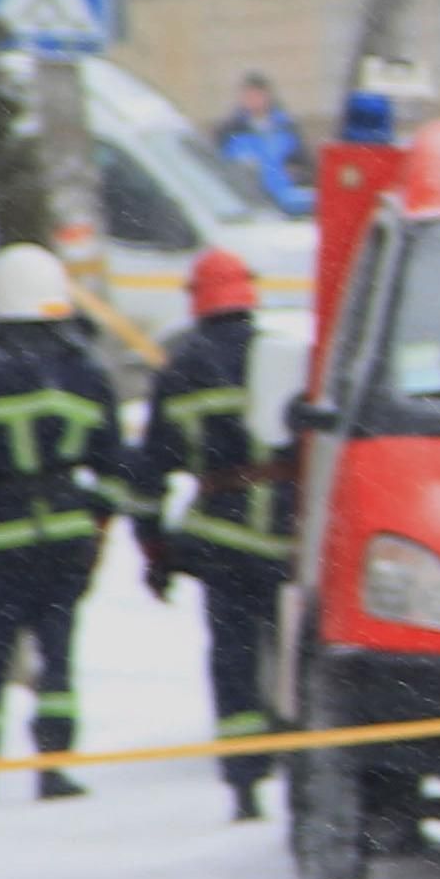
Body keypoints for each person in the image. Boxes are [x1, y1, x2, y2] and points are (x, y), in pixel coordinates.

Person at [0, 241, 121, 802]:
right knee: (58, 653)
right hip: (66, 532)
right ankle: (55, 762)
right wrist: (99, 525)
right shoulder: (85, 371)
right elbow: (112, 464)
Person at [133, 246, 292, 821]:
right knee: (295, 654)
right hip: (287, 538)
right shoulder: (287, 356)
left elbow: (149, 471)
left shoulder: (181, 366)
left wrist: (151, 547)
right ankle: (299, 756)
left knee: (233, 656)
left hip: (222, 541)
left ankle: (245, 781)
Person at [214, 72, 311, 214]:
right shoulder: (230, 131)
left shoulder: (286, 127)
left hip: (286, 202)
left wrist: (296, 174)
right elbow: (219, 165)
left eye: (257, 95)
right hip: (247, 202)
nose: (252, 100)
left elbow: (304, 164)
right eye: (248, 96)